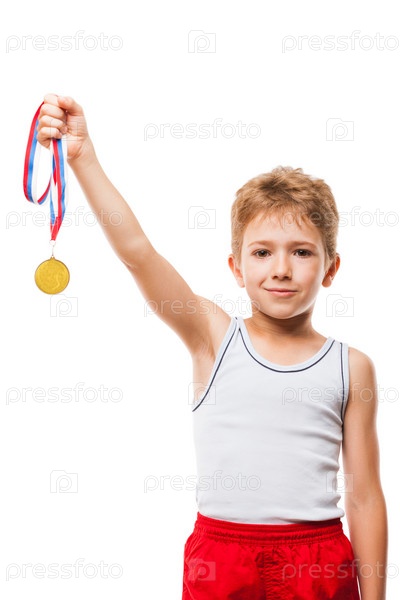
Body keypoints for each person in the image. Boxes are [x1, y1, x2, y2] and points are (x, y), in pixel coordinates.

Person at [37, 94, 388, 599]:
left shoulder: (351, 366)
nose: (281, 269)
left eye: (301, 252)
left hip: (317, 560)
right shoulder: (213, 336)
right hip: (223, 558)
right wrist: (83, 157)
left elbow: (365, 496)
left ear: (330, 268)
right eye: (262, 252)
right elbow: (138, 254)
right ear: (236, 267)